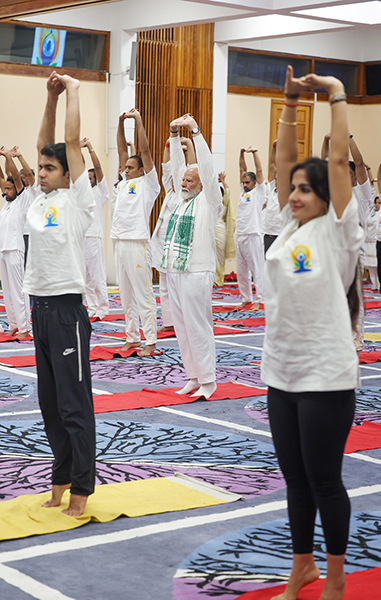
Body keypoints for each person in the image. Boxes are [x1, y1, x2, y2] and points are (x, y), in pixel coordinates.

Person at [261, 67, 363, 600]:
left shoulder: (339, 230)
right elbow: (283, 160)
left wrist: (336, 96)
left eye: (306, 188)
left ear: (328, 196)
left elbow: (339, 159)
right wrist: (289, 102)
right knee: (296, 480)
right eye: (294, 188)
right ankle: (301, 568)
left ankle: (338, 575)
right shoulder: (289, 228)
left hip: (326, 375)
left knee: (325, 480)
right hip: (282, 371)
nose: (295, 193)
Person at [23, 71, 96, 517]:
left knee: (73, 406)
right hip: (39, 310)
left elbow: (66, 142)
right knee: (50, 406)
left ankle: (82, 489)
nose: (43, 173)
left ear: (69, 173)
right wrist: (48, 97)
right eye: (41, 169)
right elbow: (43, 144)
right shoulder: (37, 199)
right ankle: (61, 478)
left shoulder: (77, 201)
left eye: (51, 169)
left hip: (67, 311)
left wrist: (72, 91)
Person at [162, 114, 221, 399]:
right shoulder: (178, 199)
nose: (183, 183)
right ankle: (193, 376)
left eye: (190, 180)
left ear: (201, 185)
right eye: (183, 179)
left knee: (198, 326)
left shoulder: (210, 202)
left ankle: (209, 381)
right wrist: (174, 134)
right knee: (183, 329)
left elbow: (208, 171)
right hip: (175, 271)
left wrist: (195, 132)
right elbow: (175, 169)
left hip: (197, 271)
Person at [111, 109, 160, 356]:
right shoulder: (124, 181)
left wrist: (138, 120)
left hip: (137, 242)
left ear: (142, 170)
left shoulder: (149, 184)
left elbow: (146, 152)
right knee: (126, 296)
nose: (127, 169)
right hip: (119, 241)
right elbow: (121, 150)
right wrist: (120, 123)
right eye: (126, 167)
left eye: (132, 167)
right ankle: (132, 337)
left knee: (143, 295)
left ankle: (150, 340)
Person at [151, 136, 196, 332]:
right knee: (164, 283)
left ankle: (184, 321)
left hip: (180, 243)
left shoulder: (187, 192)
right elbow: (166, 165)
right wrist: (169, 142)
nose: (183, 181)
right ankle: (169, 322)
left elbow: (195, 166)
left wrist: (190, 145)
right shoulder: (170, 189)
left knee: (180, 284)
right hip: (162, 241)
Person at [0, 147, 32, 338]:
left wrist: (8, 157)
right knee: (8, 291)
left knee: (19, 290)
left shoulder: (22, 199)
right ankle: (14, 324)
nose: (5, 191)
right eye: (4, 189)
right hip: (3, 249)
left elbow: (14, 176)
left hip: (15, 249)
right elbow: (2, 176)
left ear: (16, 189)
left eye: (9, 188)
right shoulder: (7, 203)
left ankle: (25, 327)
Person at [80, 137, 109, 320]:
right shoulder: (82, 193)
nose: (88, 179)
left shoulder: (100, 191)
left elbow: (97, 168)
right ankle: (92, 308)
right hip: (81, 237)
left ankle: (103, 308)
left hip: (94, 236)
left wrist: (90, 148)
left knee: (97, 275)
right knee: (86, 278)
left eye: (91, 178)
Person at [236, 146, 266, 309]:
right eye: (244, 182)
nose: (245, 184)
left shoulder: (259, 192)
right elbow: (242, 168)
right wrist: (241, 153)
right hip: (240, 234)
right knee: (241, 271)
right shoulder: (243, 191)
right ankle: (246, 298)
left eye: (248, 182)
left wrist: (255, 152)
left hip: (253, 234)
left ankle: (259, 298)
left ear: (255, 182)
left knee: (256, 269)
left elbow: (260, 170)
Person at [214, 172, 235, 287]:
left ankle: (219, 280)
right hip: (209, 230)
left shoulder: (224, 202)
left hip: (220, 229)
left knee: (220, 255)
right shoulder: (209, 204)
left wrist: (222, 181)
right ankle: (212, 279)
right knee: (211, 255)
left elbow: (227, 191)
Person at [263, 140, 281, 254]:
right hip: (268, 233)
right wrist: (274, 148)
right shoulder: (272, 188)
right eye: (276, 178)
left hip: (281, 233)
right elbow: (272, 165)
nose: (278, 181)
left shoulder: (289, 192)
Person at [365, 196, 381, 292]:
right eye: (376, 203)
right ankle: (374, 283)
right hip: (368, 241)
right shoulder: (371, 212)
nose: (377, 204)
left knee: (376, 264)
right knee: (370, 265)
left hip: (376, 240)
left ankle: (379, 284)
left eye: (379, 203)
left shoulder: (379, 214)